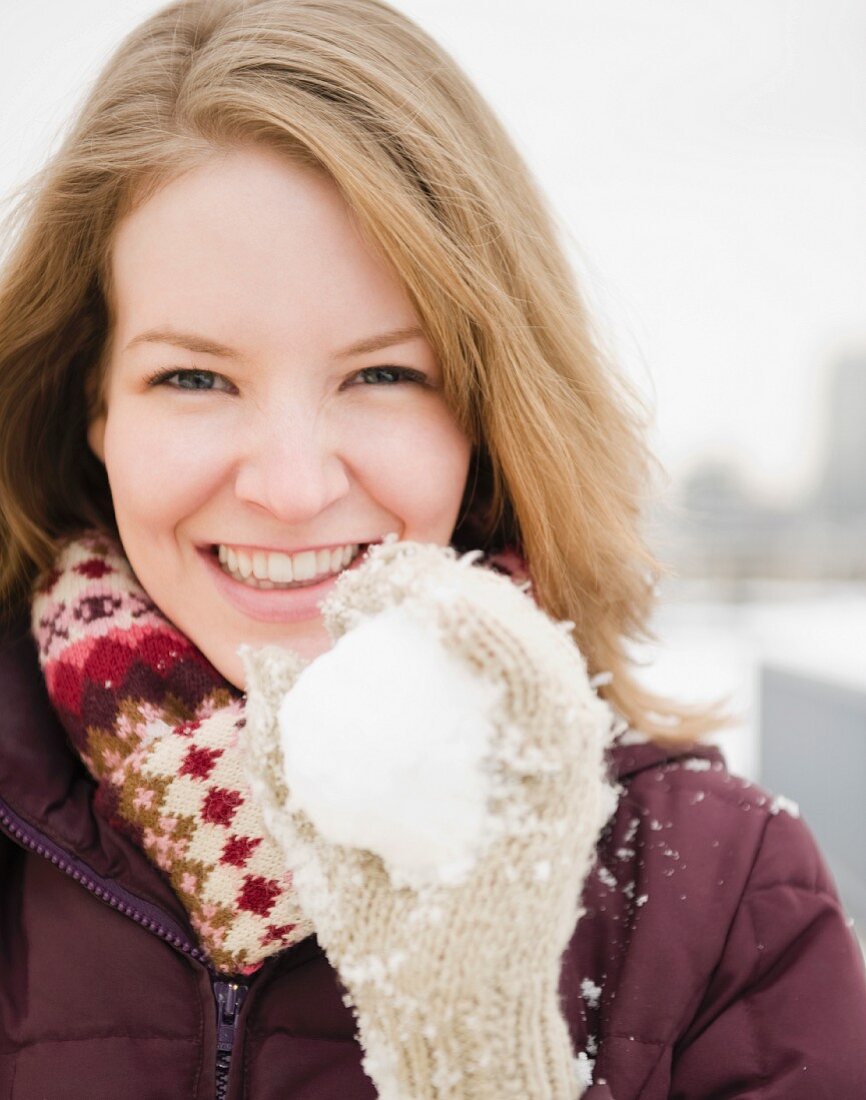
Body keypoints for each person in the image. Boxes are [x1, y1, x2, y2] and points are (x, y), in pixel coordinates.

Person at [0, 0, 864, 1097]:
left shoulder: (723, 900)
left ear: (485, 411)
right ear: (94, 407)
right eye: (194, 377)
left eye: (381, 375)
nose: (291, 483)